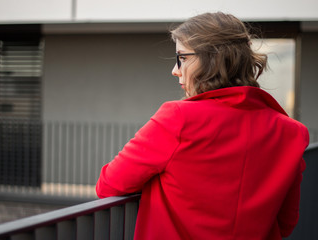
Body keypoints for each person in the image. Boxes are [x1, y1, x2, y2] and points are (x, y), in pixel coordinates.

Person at [96, 12, 309, 240]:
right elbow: (286, 223)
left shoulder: (177, 118)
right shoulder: (292, 132)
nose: (175, 70)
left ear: (212, 60)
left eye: (183, 58)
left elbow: (108, 185)